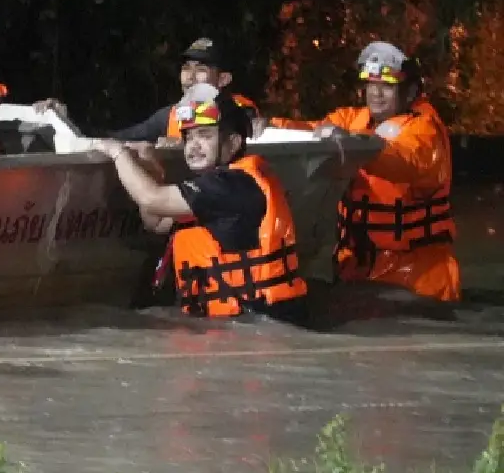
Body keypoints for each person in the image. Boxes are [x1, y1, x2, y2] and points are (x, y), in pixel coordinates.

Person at [95, 84, 308, 319]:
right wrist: (152, 168)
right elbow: (156, 222)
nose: (193, 146)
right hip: (233, 323)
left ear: (234, 143)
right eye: (188, 137)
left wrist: (117, 152)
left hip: (251, 323)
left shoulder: (232, 186)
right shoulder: (222, 184)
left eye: (205, 135)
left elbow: (151, 198)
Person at [271, 42, 460, 301]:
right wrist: (266, 125)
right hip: (356, 268)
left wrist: (352, 145)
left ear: (410, 91)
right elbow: (306, 131)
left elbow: (405, 159)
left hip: (416, 277)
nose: (376, 94)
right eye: (371, 85)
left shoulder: (426, 130)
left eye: (387, 87)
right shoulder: (352, 120)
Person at [42, 37, 261, 141]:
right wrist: (65, 117)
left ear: (223, 79)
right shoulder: (170, 116)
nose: (190, 76)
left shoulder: (237, 111)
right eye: (186, 68)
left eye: (201, 69)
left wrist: (259, 123)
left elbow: (250, 125)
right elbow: (117, 137)